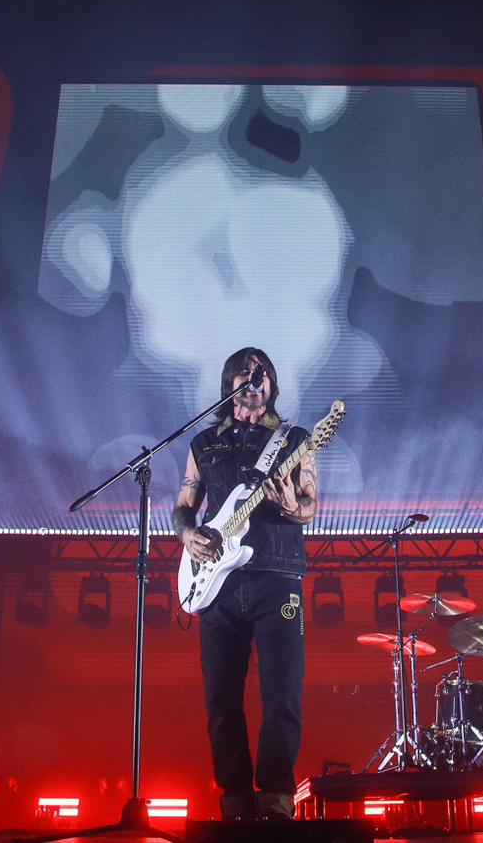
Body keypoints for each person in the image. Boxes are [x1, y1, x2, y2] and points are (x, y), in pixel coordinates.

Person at [172, 347, 319, 822]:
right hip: (217, 583)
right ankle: (235, 800)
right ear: (228, 384)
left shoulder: (294, 440)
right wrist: (188, 534)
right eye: (243, 371)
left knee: (281, 694)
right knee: (220, 699)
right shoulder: (202, 445)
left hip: (277, 576)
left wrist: (291, 506)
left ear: (272, 385)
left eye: (261, 373)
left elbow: (311, 507)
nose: (252, 378)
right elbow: (184, 505)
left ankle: (276, 798)